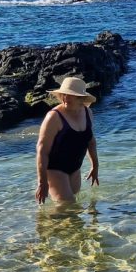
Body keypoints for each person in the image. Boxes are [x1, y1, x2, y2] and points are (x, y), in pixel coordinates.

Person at [36, 76, 99, 204]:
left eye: (70, 95)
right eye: (63, 94)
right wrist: (42, 182)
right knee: (67, 205)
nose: (65, 98)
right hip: (55, 169)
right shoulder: (54, 117)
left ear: (81, 98)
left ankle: (45, 222)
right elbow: (42, 151)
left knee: (72, 208)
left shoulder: (87, 113)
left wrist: (95, 166)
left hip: (75, 169)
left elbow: (90, 141)